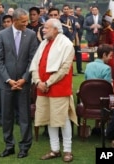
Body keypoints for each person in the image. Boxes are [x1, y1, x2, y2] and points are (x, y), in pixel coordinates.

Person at [29, 18, 78, 162]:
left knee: (62, 119)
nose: (43, 30)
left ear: (56, 29)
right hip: (42, 88)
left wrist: (47, 82)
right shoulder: (44, 43)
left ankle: (67, 151)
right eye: (44, 28)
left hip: (58, 88)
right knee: (49, 118)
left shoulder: (67, 44)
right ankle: (54, 149)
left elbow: (64, 69)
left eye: (46, 28)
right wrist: (38, 81)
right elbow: (35, 65)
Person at [0, 8, 38, 158]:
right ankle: (9, 145)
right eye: (23, 21)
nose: (27, 23)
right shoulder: (2, 35)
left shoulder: (31, 35)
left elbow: (33, 59)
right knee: (6, 116)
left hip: (23, 83)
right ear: (14, 21)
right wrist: (9, 80)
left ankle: (25, 147)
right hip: (6, 83)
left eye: (27, 21)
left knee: (24, 116)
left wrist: (25, 78)